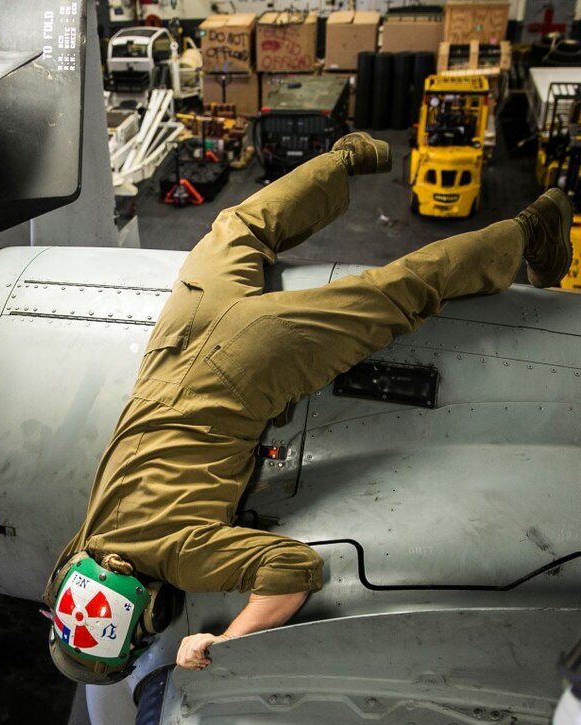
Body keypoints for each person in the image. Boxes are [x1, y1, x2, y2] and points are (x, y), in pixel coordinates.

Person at [43, 132, 574, 683]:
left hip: (250, 364)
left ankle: (533, 229)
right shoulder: (97, 530)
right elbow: (67, 580)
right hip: (177, 344)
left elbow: (294, 569)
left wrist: (220, 641)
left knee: (399, 292)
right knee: (237, 230)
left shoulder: (183, 557)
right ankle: (345, 159)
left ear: (150, 614)